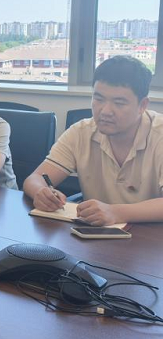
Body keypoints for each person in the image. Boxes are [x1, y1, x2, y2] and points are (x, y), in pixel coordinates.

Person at [24, 55, 163, 226]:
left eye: (119, 103)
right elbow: (35, 178)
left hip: (153, 235)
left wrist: (116, 212)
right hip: (95, 233)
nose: (105, 111)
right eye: (98, 99)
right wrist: (41, 192)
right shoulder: (81, 132)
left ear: (142, 105)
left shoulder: (159, 134)